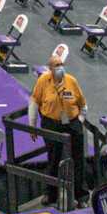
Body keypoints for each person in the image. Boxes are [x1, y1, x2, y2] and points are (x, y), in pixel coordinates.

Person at [29, 51, 87, 201]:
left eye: (61, 64)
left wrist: (80, 119)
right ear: (50, 68)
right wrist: (32, 125)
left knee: (78, 159)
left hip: (72, 122)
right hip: (51, 123)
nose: (60, 67)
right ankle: (51, 194)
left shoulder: (71, 81)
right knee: (53, 159)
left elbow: (83, 104)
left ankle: (80, 195)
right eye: (57, 65)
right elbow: (34, 102)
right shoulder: (43, 81)